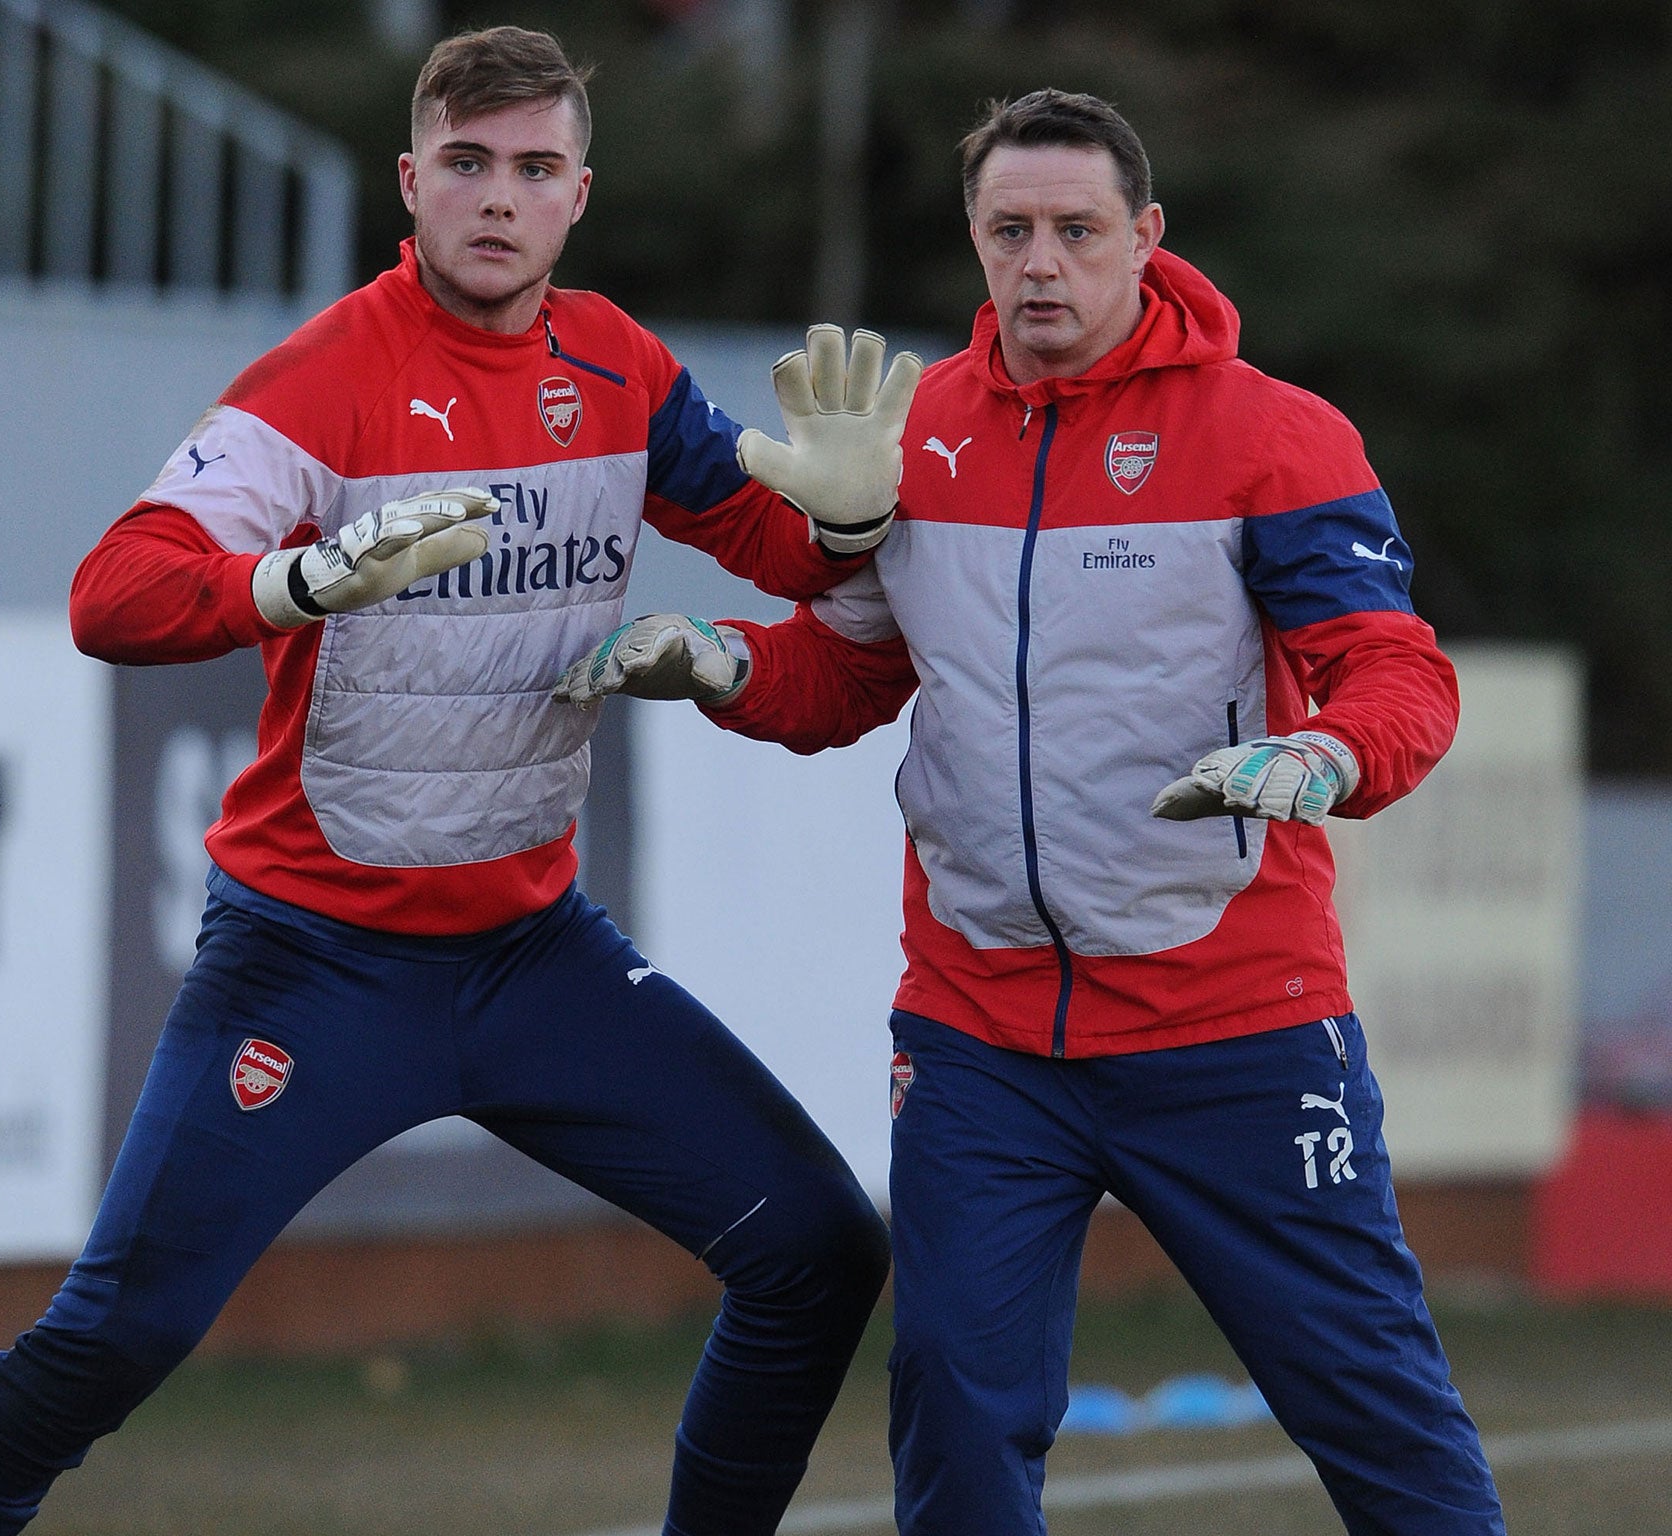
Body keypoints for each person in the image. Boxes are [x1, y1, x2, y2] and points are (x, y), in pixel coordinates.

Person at [0, 26, 921, 1536]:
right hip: (310, 966)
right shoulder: (326, 376)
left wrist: (846, 525)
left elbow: (775, 552)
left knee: (818, 1249)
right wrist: (296, 581)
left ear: (578, 195)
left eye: (535, 170)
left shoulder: (616, 364)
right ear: (412, 182)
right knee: (117, 1339)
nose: (501, 198)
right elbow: (115, 591)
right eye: (471, 166)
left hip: (533, 956)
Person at [558, 89, 1507, 1536]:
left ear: (1147, 237)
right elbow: (852, 672)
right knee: (954, 1399)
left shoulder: (1277, 438)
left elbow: (1391, 669)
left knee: (1368, 1401)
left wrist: (1328, 759)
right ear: (975, 241)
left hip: (1235, 1023)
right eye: (1011, 231)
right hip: (982, 1030)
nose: (1041, 263)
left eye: (1076, 230)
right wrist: (726, 663)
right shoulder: (920, 433)